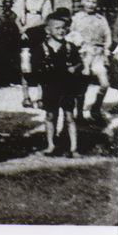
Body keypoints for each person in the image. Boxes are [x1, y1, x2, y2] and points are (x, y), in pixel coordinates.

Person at [33, 10, 83, 157]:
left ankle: (74, 148)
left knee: (69, 116)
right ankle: (51, 145)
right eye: (57, 28)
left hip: (67, 87)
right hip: (50, 87)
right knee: (50, 115)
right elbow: (37, 72)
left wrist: (75, 68)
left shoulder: (70, 47)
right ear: (48, 30)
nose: (61, 31)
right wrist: (39, 92)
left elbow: (79, 62)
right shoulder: (41, 49)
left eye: (64, 28)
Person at [69, 0, 116, 122]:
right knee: (82, 85)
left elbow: (108, 37)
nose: (91, 4)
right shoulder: (77, 18)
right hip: (82, 56)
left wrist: (107, 49)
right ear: (83, 1)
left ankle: (96, 108)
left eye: (94, 2)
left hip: (97, 56)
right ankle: (78, 113)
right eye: (88, 1)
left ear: (98, 3)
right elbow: (70, 35)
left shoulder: (101, 19)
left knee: (105, 83)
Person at [12, 0, 53, 107]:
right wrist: (21, 30)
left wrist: (28, 27)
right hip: (24, 37)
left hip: (38, 36)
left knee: (40, 66)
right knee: (25, 67)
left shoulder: (45, 1)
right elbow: (16, 18)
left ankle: (40, 97)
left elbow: (45, 20)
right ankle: (26, 97)